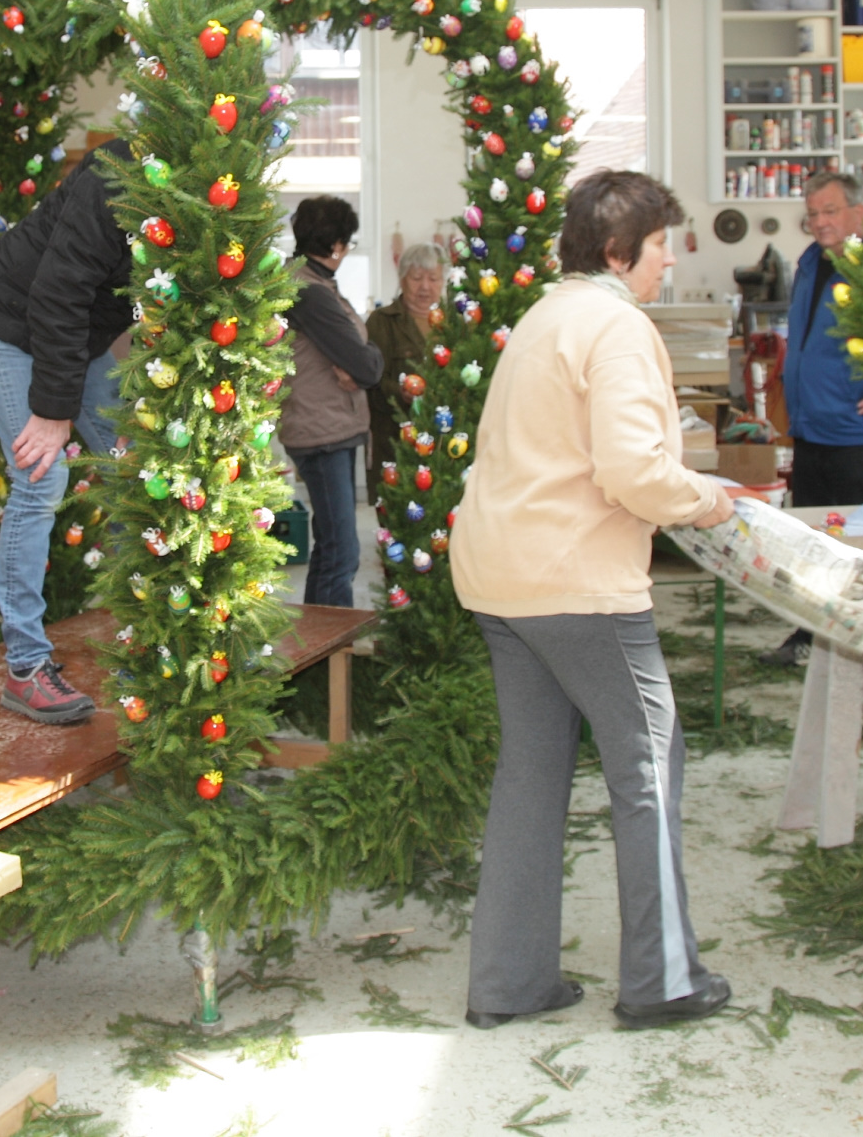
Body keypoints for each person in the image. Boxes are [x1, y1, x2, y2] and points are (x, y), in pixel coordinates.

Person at [454, 169, 737, 1032]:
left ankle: (510, 983)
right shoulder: (616, 325)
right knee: (649, 766)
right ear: (619, 252)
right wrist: (709, 499)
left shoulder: (543, 317)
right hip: (579, 585)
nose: (669, 260)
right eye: (660, 246)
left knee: (531, 777)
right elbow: (633, 471)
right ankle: (662, 980)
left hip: (500, 578)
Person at [0, 145, 128, 723]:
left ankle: (150, 631)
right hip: (6, 320)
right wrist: (53, 412)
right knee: (40, 473)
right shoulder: (115, 182)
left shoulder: (198, 195)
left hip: (75, 333)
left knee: (135, 464)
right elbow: (59, 293)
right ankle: (26, 666)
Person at [762, 169, 863, 685]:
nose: (819, 222)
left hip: (857, 439)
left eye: (830, 211)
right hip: (811, 431)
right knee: (813, 545)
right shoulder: (810, 264)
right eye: (813, 213)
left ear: (858, 213)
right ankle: (810, 635)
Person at [280, 196, 384, 608]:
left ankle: (323, 655)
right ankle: (331, 656)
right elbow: (368, 366)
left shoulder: (309, 282)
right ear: (338, 244)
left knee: (331, 548)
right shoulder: (311, 291)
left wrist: (357, 362)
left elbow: (357, 362)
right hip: (321, 431)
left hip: (329, 428)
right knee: (342, 552)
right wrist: (361, 361)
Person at [365, 241, 444, 468]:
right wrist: (401, 393)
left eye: (433, 278)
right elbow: (372, 380)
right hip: (396, 440)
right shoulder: (382, 322)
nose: (425, 287)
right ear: (402, 280)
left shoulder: (455, 322)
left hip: (445, 441)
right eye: (417, 278)